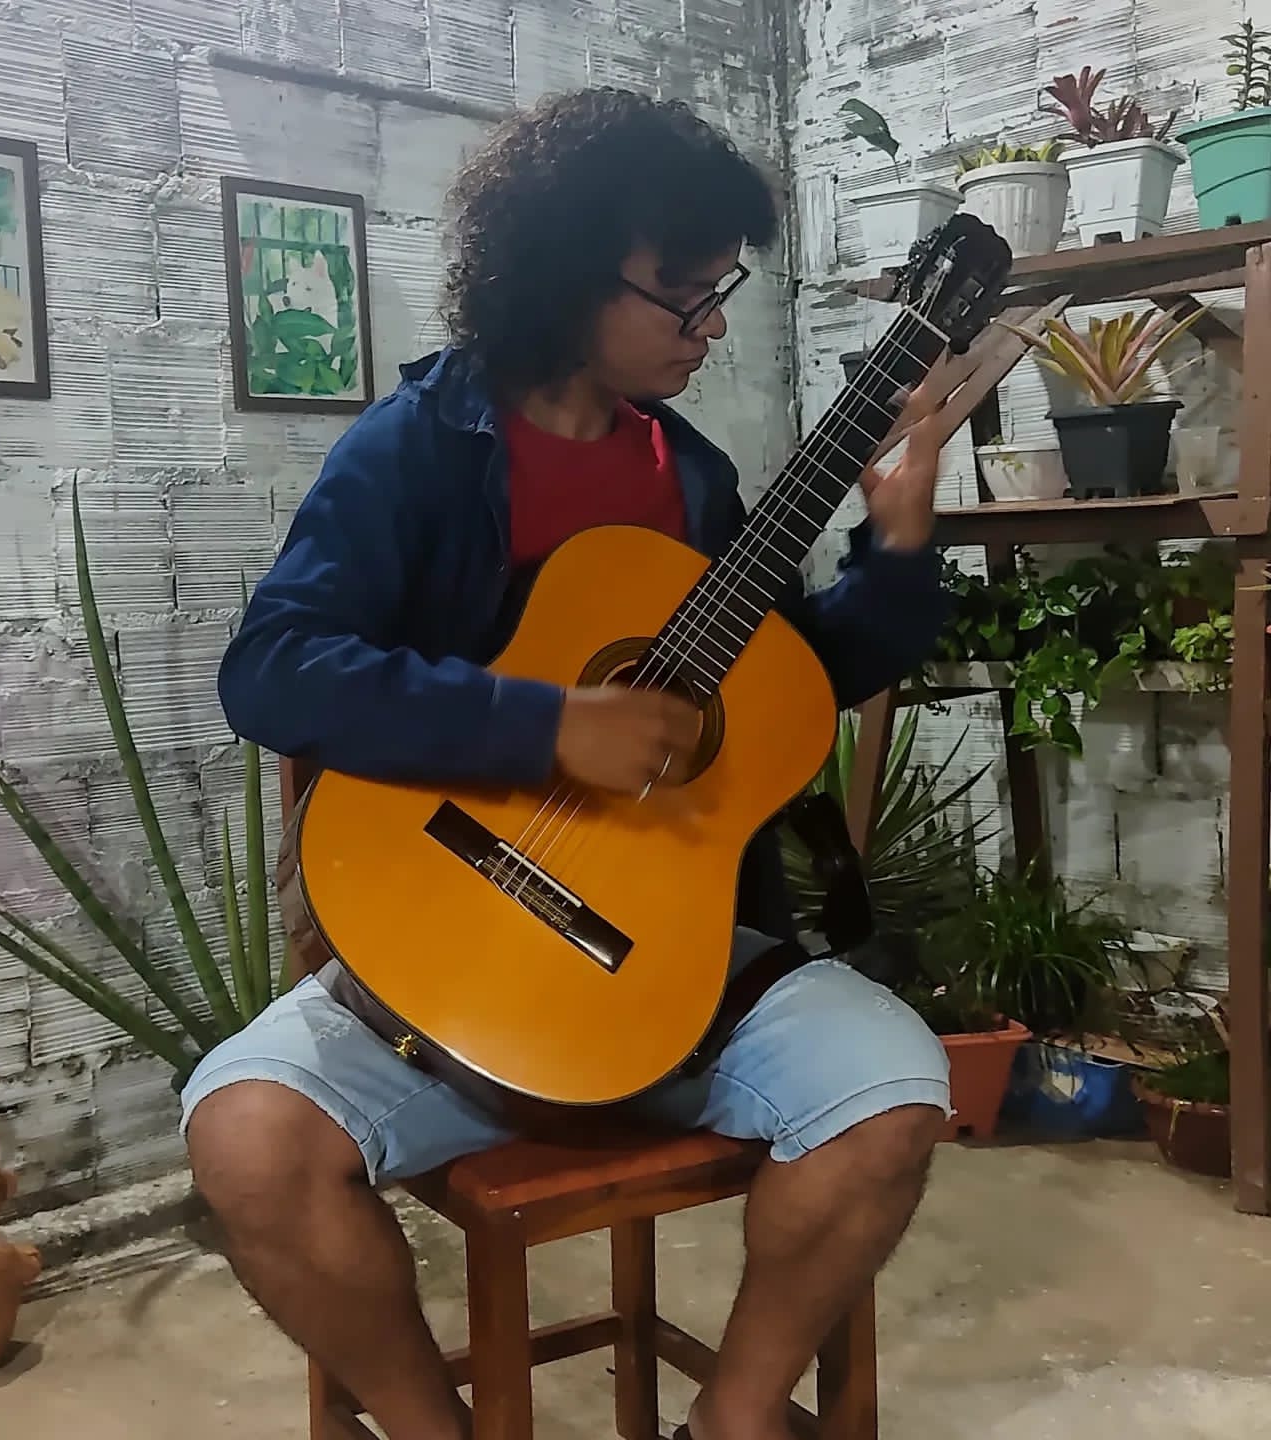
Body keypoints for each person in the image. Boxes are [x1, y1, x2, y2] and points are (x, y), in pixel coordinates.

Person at [184, 87, 958, 1440]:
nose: (710, 327)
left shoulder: (694, 479)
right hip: (452, 947)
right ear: (562, 266)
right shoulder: (420, 450)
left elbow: (787, 686)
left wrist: (896, 544)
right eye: (681, 294)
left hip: (663, 962)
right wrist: (545, 724)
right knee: (246, 1142)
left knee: (892, 1094)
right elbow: (275, 670)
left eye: (719, 293)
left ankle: (731, 1418)